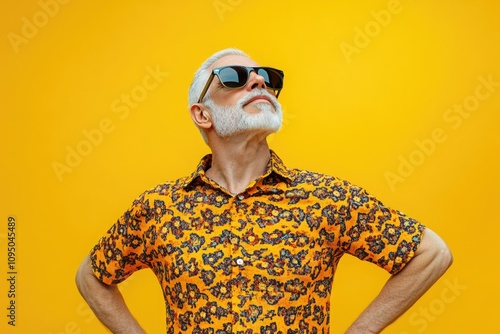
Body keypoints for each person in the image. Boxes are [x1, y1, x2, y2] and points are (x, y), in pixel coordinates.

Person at [75, 48, 453, 333]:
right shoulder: (159, 209)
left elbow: (432, 253)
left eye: (265, 77)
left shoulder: (325, 198)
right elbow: (90, 277)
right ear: (202, 114)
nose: (257, 81)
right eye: (234, 76)